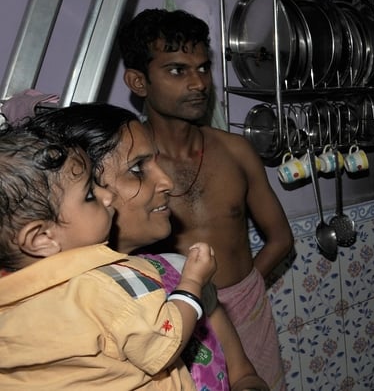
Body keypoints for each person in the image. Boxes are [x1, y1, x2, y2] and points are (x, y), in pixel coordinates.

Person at [28, 103, 269, 391]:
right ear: (86, 190)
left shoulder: (179, 272)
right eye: (137, 169)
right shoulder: (63, 324)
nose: (166, 181)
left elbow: (242, 373)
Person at [117, 8, 293, 389]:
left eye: (203, 68)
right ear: (138, 81)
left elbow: (281, 238)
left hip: (245, 310)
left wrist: (237, 295)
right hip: (172, 319)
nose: (198, 82)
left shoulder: (235, 151)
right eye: (178, 70)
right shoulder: (128, 167)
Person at [0, 122, 216, 390]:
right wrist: (192, 284)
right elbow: (165, 342)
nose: (106, 196)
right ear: (41, 238)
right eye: (90, 194)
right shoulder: (109, 280)